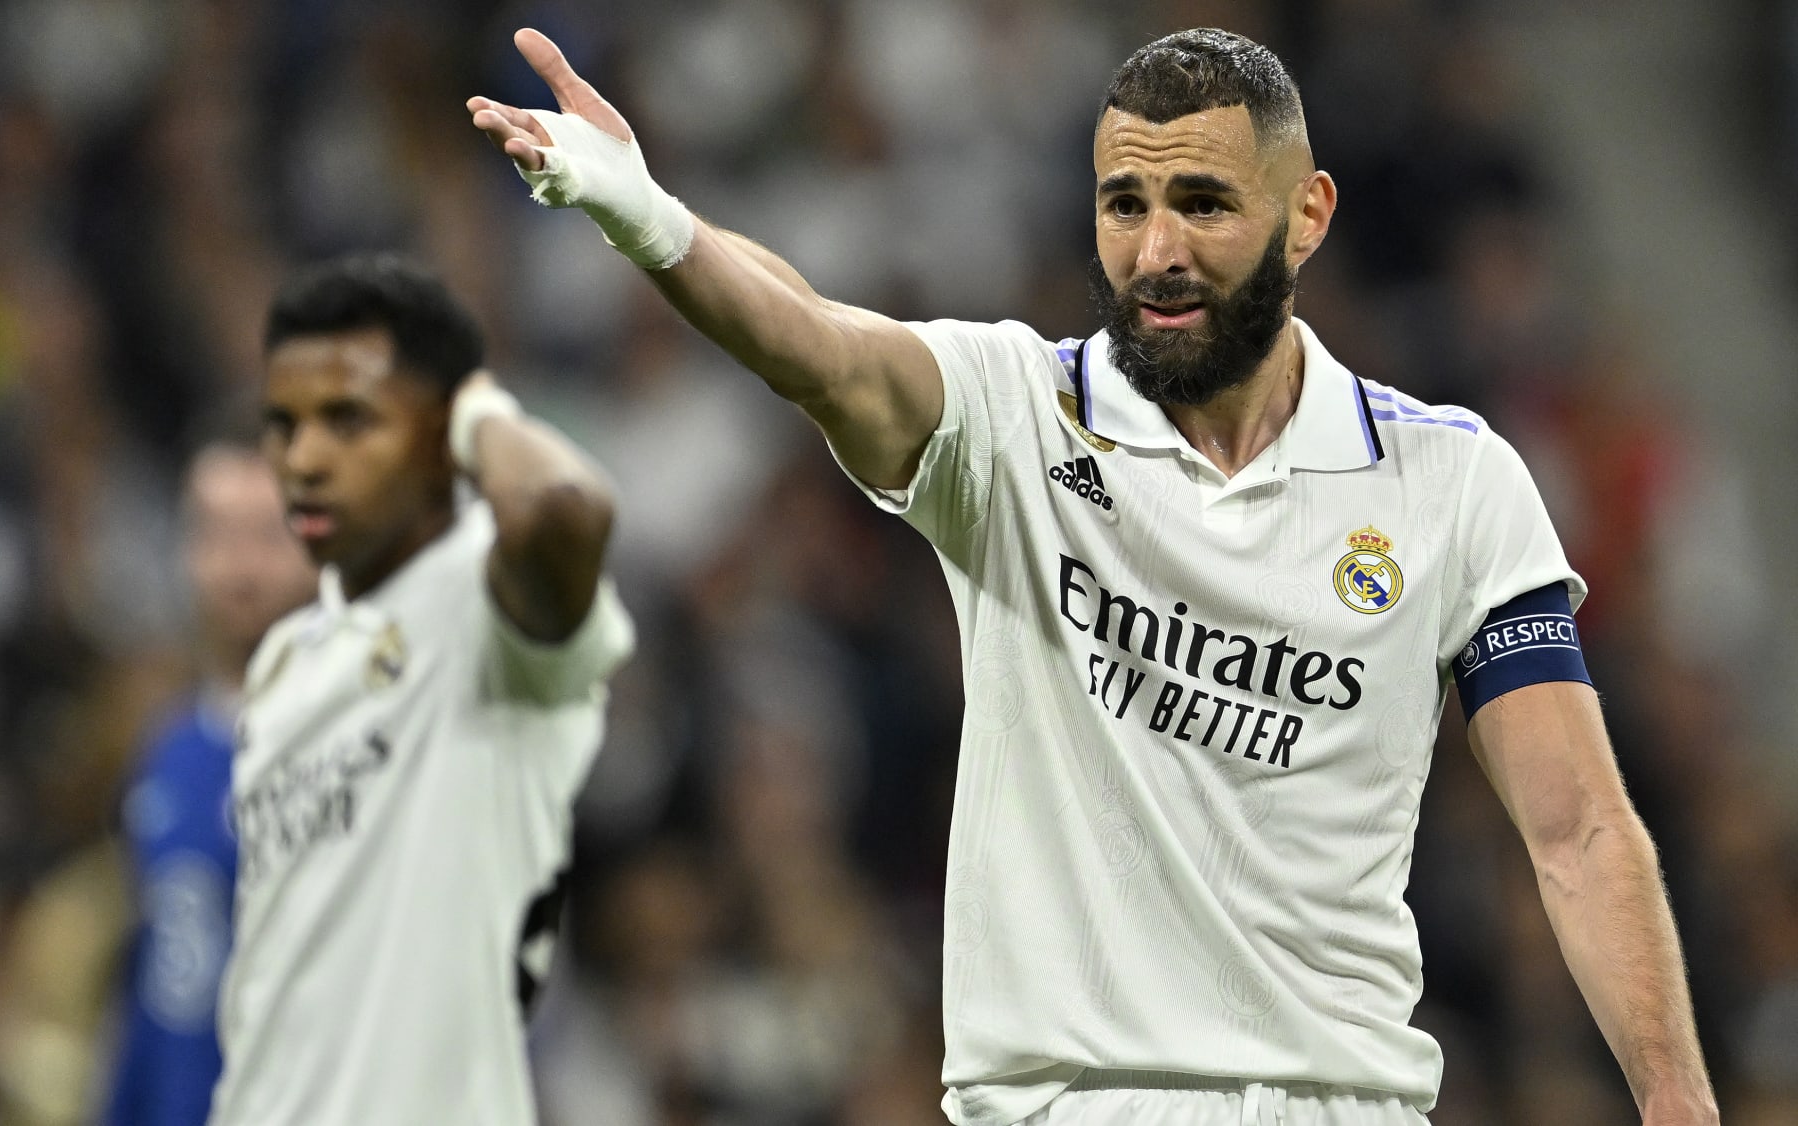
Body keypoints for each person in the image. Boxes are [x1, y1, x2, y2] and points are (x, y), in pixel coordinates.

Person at [468, 27, 1718, 1126]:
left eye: (1203, 204)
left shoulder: (1452, 481)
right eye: (1125, 204)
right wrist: (651, 217)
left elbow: (1577, 826)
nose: (1156, 250)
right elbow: (824, 347)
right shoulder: (1015, 416)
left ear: (1309, 215)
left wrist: (1675, 1097)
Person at [206, 253, 635, 1124]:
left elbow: (562, 506)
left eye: (348, 420)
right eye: (283, 425)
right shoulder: (286, 661)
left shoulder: (484, 609)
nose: (303, 460)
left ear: (443, 436)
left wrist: (478, 411)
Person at [104, 443, 316, 1125]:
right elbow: (157, 982)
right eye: (215, 534)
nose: (237, 568)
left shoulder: (351, 750)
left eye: (266, 536)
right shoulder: (169, 750)